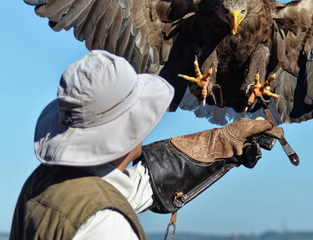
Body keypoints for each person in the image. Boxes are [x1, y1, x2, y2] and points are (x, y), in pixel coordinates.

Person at [10, 50, 283, 240]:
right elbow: (106, 205)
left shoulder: (43, 183)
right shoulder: (107, 224)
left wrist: (222, 143)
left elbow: (128, 188)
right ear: (127, 130)